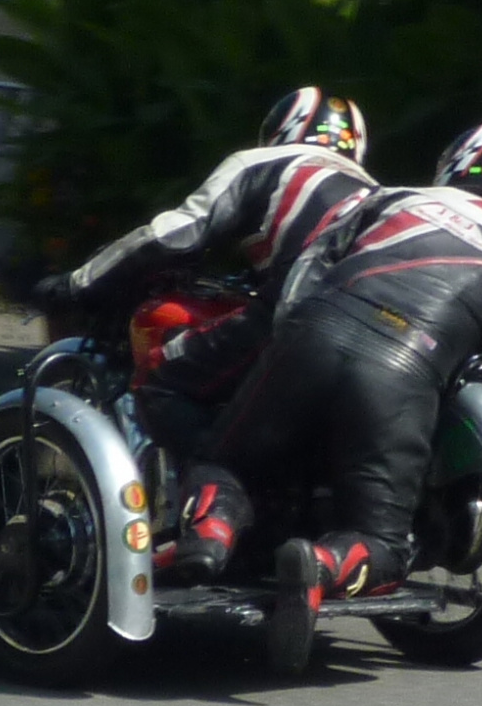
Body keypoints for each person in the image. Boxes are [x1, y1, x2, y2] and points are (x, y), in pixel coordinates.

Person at [172, 123, 482, 658]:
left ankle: (210, 535)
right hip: (401, 379)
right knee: (383, 545)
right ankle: (321, 565)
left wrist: (288, 344)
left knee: (224, 462)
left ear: (453, 164)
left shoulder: (388, 199)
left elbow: (307, 270)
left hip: (313, 337)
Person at [31, 89, 376, 452]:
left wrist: (77, 284)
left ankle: (209, 483)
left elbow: (173, 236)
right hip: (381, 332)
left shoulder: (263, 163)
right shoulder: (373, 190)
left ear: (284, 126)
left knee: (159, 378)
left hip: (300, 316)